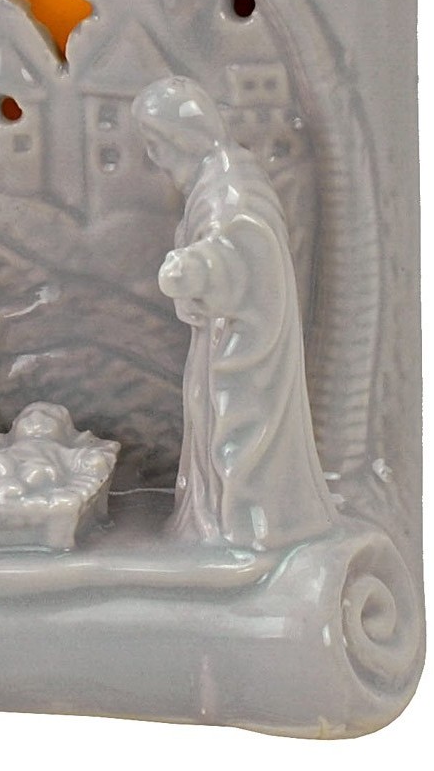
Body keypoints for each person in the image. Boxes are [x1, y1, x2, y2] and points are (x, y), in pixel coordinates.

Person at [132, 77, 335, 550]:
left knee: (241, 437)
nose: (154, 158)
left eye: (154, 144)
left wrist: (195, 269)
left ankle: (248, 528)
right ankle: (218, 523)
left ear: (175, 141)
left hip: (243, 345)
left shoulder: (230, 189)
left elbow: (243, 249)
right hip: (223, 335)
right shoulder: (217, 181)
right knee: (218, 429)